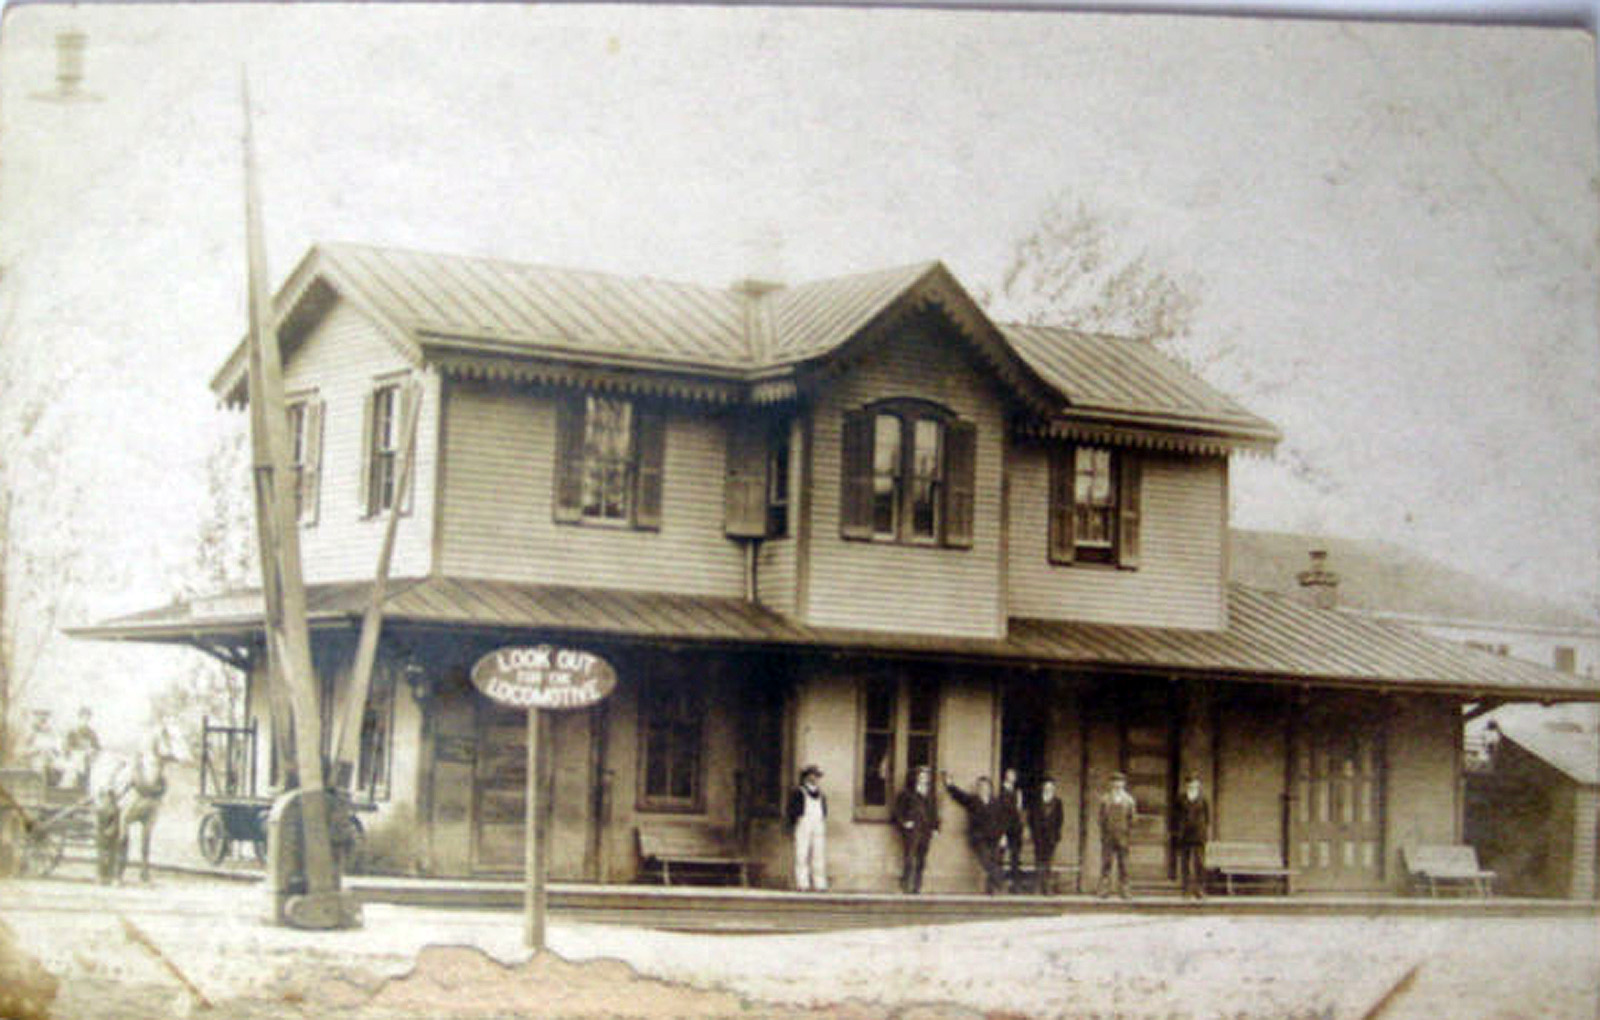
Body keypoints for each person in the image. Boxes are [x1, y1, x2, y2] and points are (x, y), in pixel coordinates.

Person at [942, 772, 1008, 895]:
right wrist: (950, 785)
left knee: (994, 861)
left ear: (990, 788)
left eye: (986, 787)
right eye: (981, 787)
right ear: (978, 789)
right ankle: (1001, 882)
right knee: (986, 861)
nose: (984, 789)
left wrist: (1003, 835)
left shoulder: (996, 803)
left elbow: (1002, 820)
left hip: (994, 837)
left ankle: (991, 890)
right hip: (979, 838)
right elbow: (959, 796)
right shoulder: (973, 801)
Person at [891, 765, 939, 893]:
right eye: (922, 776)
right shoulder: (906, 794)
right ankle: (906, 884)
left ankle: (917, 886)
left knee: (921, 859)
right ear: (915, 778)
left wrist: (935, 827)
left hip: (925, 831)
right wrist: (904, 823)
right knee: (910, 858)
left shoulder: (930, 796)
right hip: (913, 831)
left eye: (926, 777)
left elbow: (934, 813)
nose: (924, 779)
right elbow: (896, 812)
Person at [784, 764, 828, 892]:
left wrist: (820, 822)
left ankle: (820, 884)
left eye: (817, 776)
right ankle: (802, 884)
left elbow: (824, 812)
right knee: (801, 854)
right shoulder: (799, 792)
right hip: (803, 824)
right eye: (812, 775)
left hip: (818, 825)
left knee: (818, 854)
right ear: (806, 777)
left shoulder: (821, 794)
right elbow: (792, 811)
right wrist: (793, 824)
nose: (815, 778)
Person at [1097, 771, 1136, 899]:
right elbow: (1101, 819)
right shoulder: (1105, 799)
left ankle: (1125, 891)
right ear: (1111, 784)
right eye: (1114, 782)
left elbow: (1133, 819)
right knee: (1106, 864)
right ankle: (1104, 890)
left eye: (1120, 782)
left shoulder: (1129, 800)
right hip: (1108, 836)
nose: (1117, 785)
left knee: (1124, 865)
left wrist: (1127, 833)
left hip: (1123, 837)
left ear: (1124, 784)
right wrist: (1104, 834)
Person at [1174, 774, 1211, 900]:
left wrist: (1205, 833)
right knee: (1185, 863)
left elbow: (1207, 818)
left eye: (1194, 782)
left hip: (1199, 835)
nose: (1192, 785)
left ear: (1198, 784)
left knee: (1200, 863)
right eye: (1189, 783)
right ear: (1186, 785)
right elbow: (1176, 816)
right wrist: (1179, 831)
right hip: (1185, 835)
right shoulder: (1181, 799)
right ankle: (1186, 890)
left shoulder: (1203, 799)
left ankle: (1199, 889)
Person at [1027, 775, 1065, 894]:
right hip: (1039, 836)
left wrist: (1056, 834)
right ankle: (1037, 887)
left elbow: (1060, 820)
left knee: (1048, 862)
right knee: (1038, 861)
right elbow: (1031, 818)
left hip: (1051, 837)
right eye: (1046, 787)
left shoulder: (1058, 802)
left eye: (1051, 787)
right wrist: (1034, 832)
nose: (1048, 789)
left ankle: (1047, 887)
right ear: (1043, 788)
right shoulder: (1036, 801)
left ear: (1053, 789)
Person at [997, 768, 1026, 892]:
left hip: (1015, 829)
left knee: (1015, 857)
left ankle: (1015, 884)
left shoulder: (1017, 793)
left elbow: (1018, 812)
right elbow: (1001, 813)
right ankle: (998, 883)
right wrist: (1001, 832)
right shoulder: (1001, 792)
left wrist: (1019, 803)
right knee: (1000, 857)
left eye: (1014, 775)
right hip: (1004, 828)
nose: (1012, 777)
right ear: (1005, 776)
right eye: (1010, 775)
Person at [60, 707, 101, 790]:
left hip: (88, 760)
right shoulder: (73, 731)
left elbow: (97, 747)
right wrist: (78, 752)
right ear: (79, 717)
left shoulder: (91, 732)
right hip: (74, 759)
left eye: (88, 718)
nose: (86, 720)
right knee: (74, 768)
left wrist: (93, 752)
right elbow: (66, 747)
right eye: (84, 717)